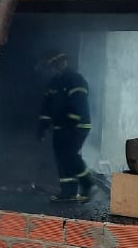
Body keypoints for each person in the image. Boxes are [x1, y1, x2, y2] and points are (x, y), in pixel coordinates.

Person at [36, 51, 94, 202]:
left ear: (63, 64)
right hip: (60, 127)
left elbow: (78, 104)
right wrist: (42, 127)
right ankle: (68, 191)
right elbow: (46, 108)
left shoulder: (75, 79)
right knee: (61, 157)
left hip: (78, 126)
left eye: (56, 66)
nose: (53, 70)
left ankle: (88, 184)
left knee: (69, 154)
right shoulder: (53, 84)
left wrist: (70, 123)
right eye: (51, 67)